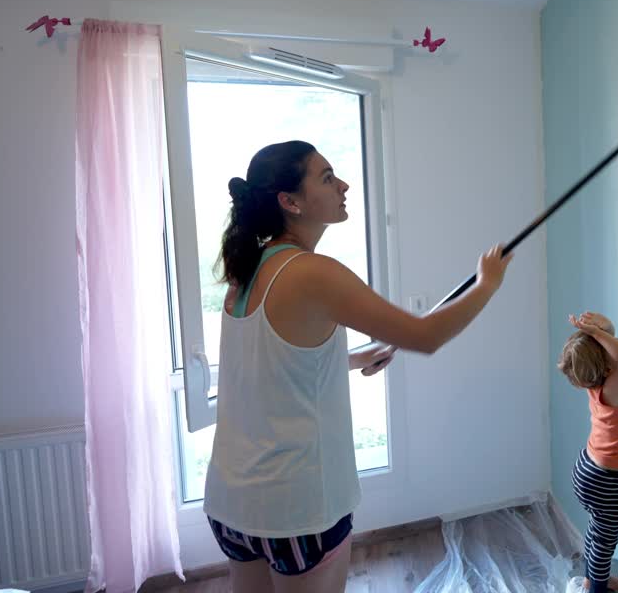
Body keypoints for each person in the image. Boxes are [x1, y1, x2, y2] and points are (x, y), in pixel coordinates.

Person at [202, 140, 511, 592]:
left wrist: (350, 358)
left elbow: (268, 368)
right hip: (297, 509)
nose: (343, 184)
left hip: (232, 501)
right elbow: (426, 337)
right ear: (290, 202)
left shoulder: (245, 270)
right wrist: (487, 284)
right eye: (327, 177)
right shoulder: (312, 272)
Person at [558, 311, 618, 593]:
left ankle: (591, 579)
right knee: (604, 540)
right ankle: (597, 590)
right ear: (608, 367)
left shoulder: (596, 382)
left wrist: (601, 329)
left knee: (597, 534)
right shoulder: (613, 388)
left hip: (587, 469)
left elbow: (615, 353)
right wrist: (598, 333)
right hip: (602, 480)